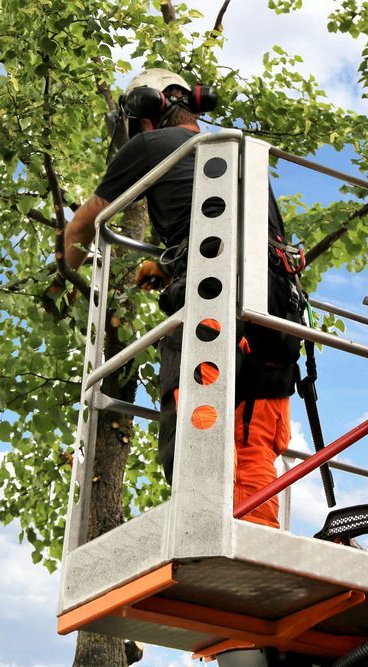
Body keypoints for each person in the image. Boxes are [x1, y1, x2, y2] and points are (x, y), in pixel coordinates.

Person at [63, 68, 302, 528]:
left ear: (146, 110)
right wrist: (169, 263)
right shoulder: (232, 156)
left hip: (213, 305)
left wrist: (58, 275)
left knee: (199, 426)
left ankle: (204, 533)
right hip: (275, 308)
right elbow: (222, 232)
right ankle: (255, 537)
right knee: (252, 438)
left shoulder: (150, 146)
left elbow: (80, 228)